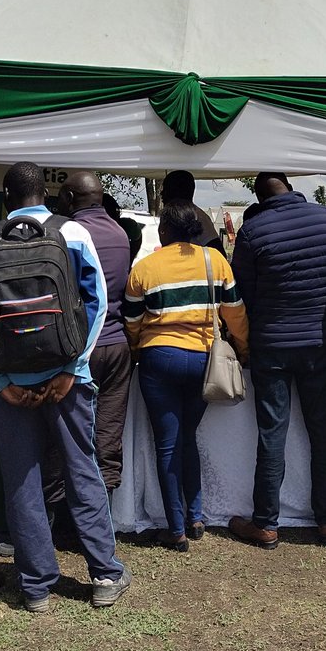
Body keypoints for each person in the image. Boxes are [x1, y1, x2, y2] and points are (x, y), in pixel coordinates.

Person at [0, 162, 130, 611]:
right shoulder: (73, 233)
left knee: (23, 480)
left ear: (7, 196)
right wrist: (71, 368)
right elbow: (97, 304)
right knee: (82, 469)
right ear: (47, 193)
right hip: (66, 380)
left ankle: (36, 586)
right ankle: (105, 573)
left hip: (11, 383)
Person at [122, 202, 249, 551]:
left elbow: (132, 322)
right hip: (204, 359)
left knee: (168, 444)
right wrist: (243, 348)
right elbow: (235, 313)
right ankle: (195, 517)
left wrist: (136, 349)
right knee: (188, 436)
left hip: (159, 359)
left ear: (164, 230)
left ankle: (176, 529)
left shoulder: (144, 268)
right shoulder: (215, 260)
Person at [228, 172, 326, 549]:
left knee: (272, 434)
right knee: (323, 432)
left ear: (259, 198)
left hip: (271, 343)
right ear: (291, 189)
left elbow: (243, 293)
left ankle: (265, 523)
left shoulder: (252, 231)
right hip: (318, 341)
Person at [57, 172, 135, 492]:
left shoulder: (67, 234)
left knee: (70, 435)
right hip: (117, 345)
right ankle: (105, 507)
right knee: (108, 433)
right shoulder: (120, 232)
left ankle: (70, 509)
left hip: (79, 348)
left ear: (70, 198)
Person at [161, 170, 224, 255]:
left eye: (166, 189)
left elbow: (218, 251)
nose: (162, 194)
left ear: (179, 191)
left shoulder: (197, 217)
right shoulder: (169, 216)